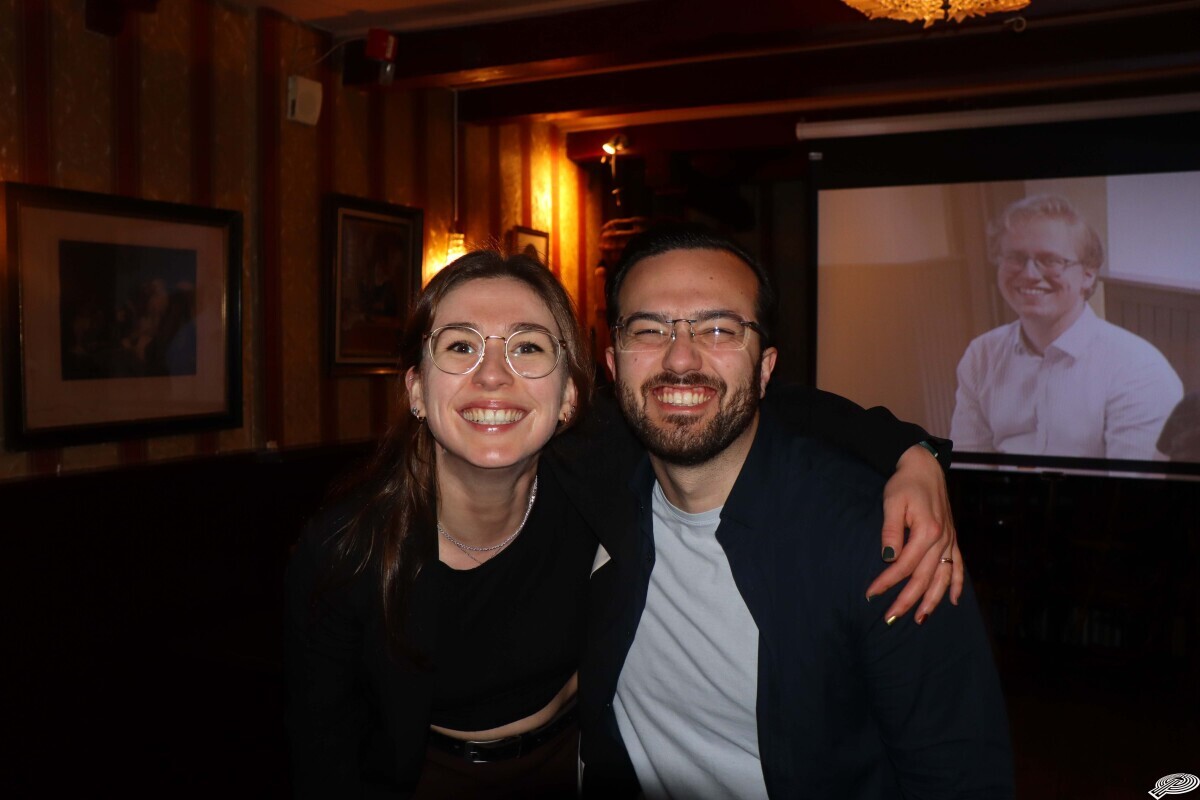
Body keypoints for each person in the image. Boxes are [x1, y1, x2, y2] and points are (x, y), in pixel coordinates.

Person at [286, 249, 959, 798]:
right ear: (415, 388)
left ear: (570, 394)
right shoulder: (344, 550)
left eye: (528, 348)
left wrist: (912, 454)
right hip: (425, 780)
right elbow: (321, 753)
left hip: (573, 769)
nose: (493, 375)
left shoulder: (597, 467)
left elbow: (749, 398)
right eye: (460, 346)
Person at [575, 223, 1013, 798]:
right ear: (613, 363)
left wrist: (913, 452)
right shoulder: (592, 483)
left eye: (719, 329)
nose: (680, 358)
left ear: (765, 369)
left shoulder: (881, 542)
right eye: (649, 329)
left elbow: (959, 776)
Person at [950, 194, 1183, 460]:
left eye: (1051, 260)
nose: (1029, 274)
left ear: (1088, 274)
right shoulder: (981, 355)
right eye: (1015, 257)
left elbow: (1131, 484)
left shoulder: (1138, 368)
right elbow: (969, 466)